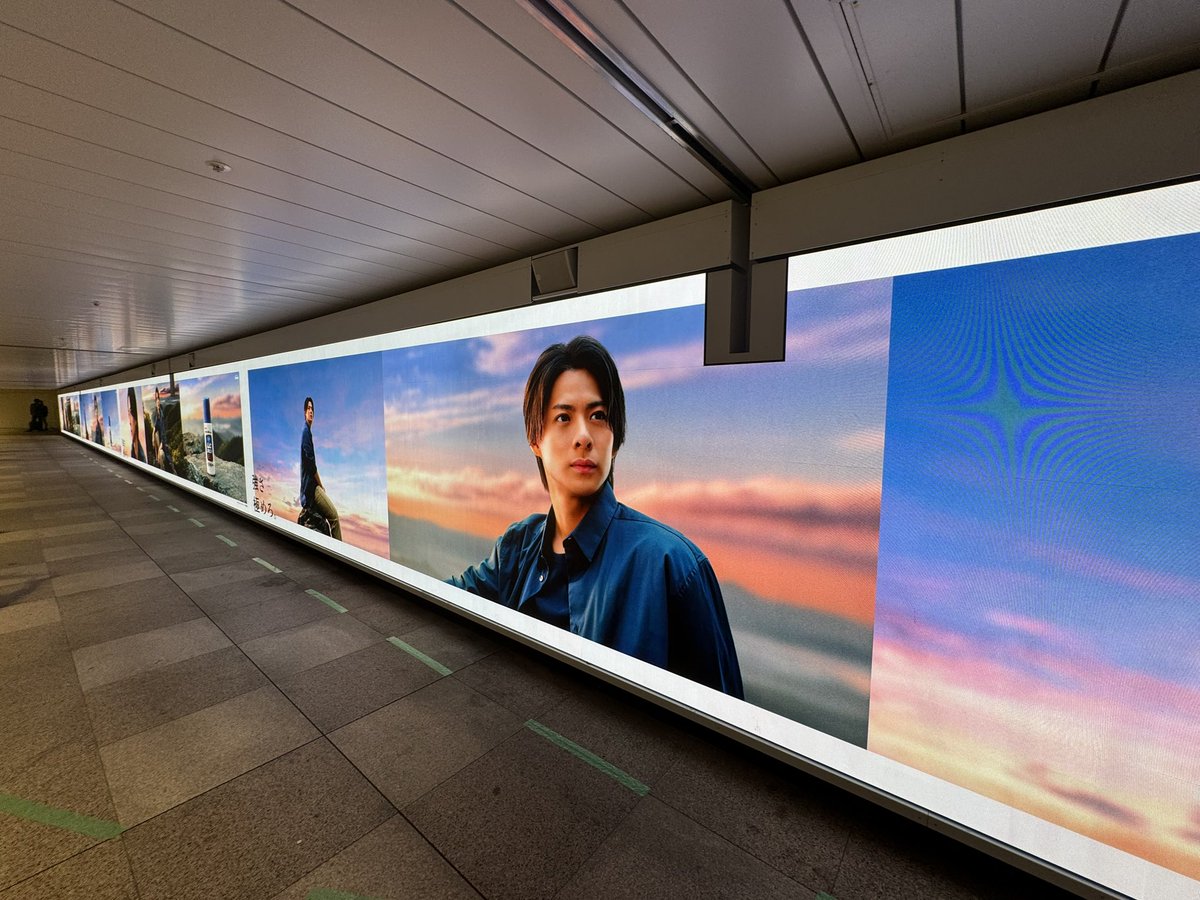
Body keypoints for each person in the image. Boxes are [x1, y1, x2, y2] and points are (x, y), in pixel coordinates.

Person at [448, 336, 743, 698]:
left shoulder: (673, 565)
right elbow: (440, 604)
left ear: (614, 439)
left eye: (598, 416)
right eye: (563, 417)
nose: (584, 436)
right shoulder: (516, 547)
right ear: (535, 438)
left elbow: (727, 727)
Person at [300, 396, 341, 540]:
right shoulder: (305, 433)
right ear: (304, 412)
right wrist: (321, 485)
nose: (311, 412)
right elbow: (311, 465)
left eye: (312, 409)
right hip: (311, 488)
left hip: (310, 487)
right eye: (308, 408)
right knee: (334, 517)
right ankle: (340, 554)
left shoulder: (307, 432)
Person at [126, 388, 147, 462]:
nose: (129, 420)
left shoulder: (143, 456)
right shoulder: (132, 452)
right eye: (128, 412)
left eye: (131, 411)